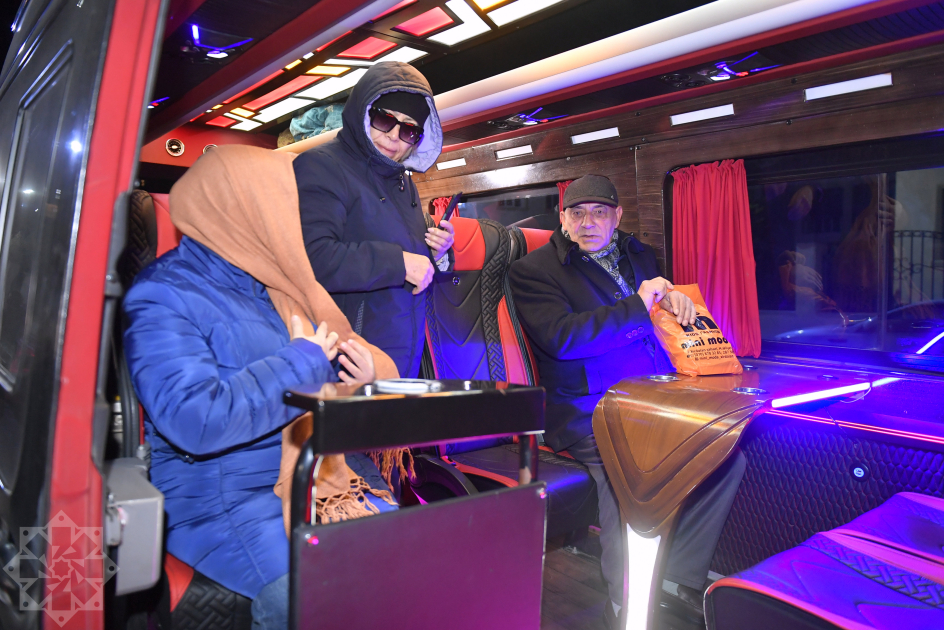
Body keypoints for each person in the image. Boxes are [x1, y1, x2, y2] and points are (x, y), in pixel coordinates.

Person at [123, 145, 399, 630]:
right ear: (236, 211)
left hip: (314, 477)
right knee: (330, 598)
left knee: (416, 563)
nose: (289, 221)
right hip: (224, 501)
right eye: (279, 205)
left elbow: (334, 365)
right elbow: (195, 422)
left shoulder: (280, 283)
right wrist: (303, 362)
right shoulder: (161, 296)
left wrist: (364, 377)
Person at [508, 174, 747, 626]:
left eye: (599, 212)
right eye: (577, 213)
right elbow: (562, 339)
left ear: (617, 217)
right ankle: (626, 602)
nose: (588, 223)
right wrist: (640, 305)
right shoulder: (534, 271)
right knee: (631, 473)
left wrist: (672, 298)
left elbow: (656, 313)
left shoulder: (640, 255)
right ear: (563, 219)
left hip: (652, 396)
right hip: (587, 405)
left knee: (724, 459)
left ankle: (674, 580)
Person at [294, 61, 454, 378]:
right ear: (363, 112)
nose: (394, 137)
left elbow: (410, 265)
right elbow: (310, 258)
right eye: (384, 119)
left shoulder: (402, 182)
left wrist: (437, 255)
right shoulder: (322, 165)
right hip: (345, 360)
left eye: (409, 130)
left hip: (398, 358)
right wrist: (399, 263)